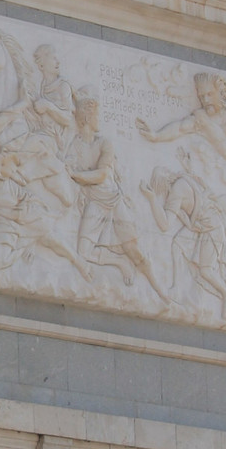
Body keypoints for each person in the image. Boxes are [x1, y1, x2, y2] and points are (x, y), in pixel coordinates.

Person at [67, 93, 170, 302]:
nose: (99, 119)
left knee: (133, 249)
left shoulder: (105, 143)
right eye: (96, 115)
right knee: (83, 252)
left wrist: (76, 175)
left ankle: (160, 291)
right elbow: (65, 168)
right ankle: (120, 262)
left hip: (114, 200)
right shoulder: (75, 145)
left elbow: (102, 175)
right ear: (86, 117)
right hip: (95, 202)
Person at [140, 162, 226, 321]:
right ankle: (177, 289)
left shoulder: (176, 192)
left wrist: (151, 199)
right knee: (177, 244)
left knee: (206, 271)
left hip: (212, 228)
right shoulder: (182, 179)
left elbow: (164, 225)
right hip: (200, 225)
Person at [135, 72, 226, 169]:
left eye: (210, 94)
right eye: (201, 96)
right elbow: (179, 128)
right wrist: (156, 136)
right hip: (220, 170)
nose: (205, 100)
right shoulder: (201, 119)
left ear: (221, 92)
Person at [32, 44, 75, 156]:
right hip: (44, 133)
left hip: (57, 140)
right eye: (53, 58)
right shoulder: (42, 85)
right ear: (41, 66)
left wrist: (48, 106)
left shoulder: (63, 86)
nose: (58, 62)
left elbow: (69, 119)